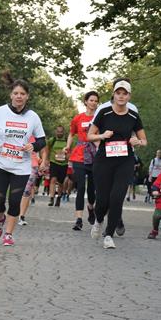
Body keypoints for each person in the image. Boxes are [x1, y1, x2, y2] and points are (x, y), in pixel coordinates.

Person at [0, 72, 47, 246]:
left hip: (21, 166)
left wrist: (33, 146)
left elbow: (42, 140)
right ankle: (0, 218)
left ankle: (9, 234)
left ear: (27, 96)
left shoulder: (33, 117)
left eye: (22, 94)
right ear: (11, 95)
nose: (19, 96)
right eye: (16, 93)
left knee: (14, 201)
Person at [87, 78, 148, 249]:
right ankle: (98, 220)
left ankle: (108, 235)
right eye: (118, 93)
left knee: (117, 198)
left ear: (129, 96)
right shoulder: (104, 112)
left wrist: (137, 141)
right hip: (104, 160)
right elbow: (89, 135)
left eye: (124, 93)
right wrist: (102, 136)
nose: (121, 96)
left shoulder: (133, 115)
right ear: (113, 95)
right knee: (102, 200)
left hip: (125, 161)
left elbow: (144, 140)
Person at [65, 91, 99, 230]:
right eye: (91, 100)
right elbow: (71, 133)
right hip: (79, 155)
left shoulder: (100, 118)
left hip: (94, 155)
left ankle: (91, 207)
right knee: (80, 187)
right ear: (86, 102)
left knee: (92, 189)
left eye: (96, 101)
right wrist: (68, 146)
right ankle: (78, 219)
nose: (93, 103)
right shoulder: (78, 118)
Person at [18, 147, 41, 225]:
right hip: (17, 165)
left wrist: (43, 161)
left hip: (33, 166)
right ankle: (14, 212)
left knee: (27, 191)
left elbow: (43, 150)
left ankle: (21, 216)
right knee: (18, 190)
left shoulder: (38, 140)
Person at [47, 126, 68, 207]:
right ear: (56, 132)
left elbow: (70, 150)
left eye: (61, 132)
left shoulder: (67, 140)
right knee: (53, 179)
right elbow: (47, 149)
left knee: (61, 182)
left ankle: (58, 198)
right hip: (54, 162)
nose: (59, 133)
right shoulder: (52, 140)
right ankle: (51, 198)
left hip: (63, 163)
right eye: (58, 131)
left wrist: (67, 156)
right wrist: (47, 159)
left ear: (63, 132)